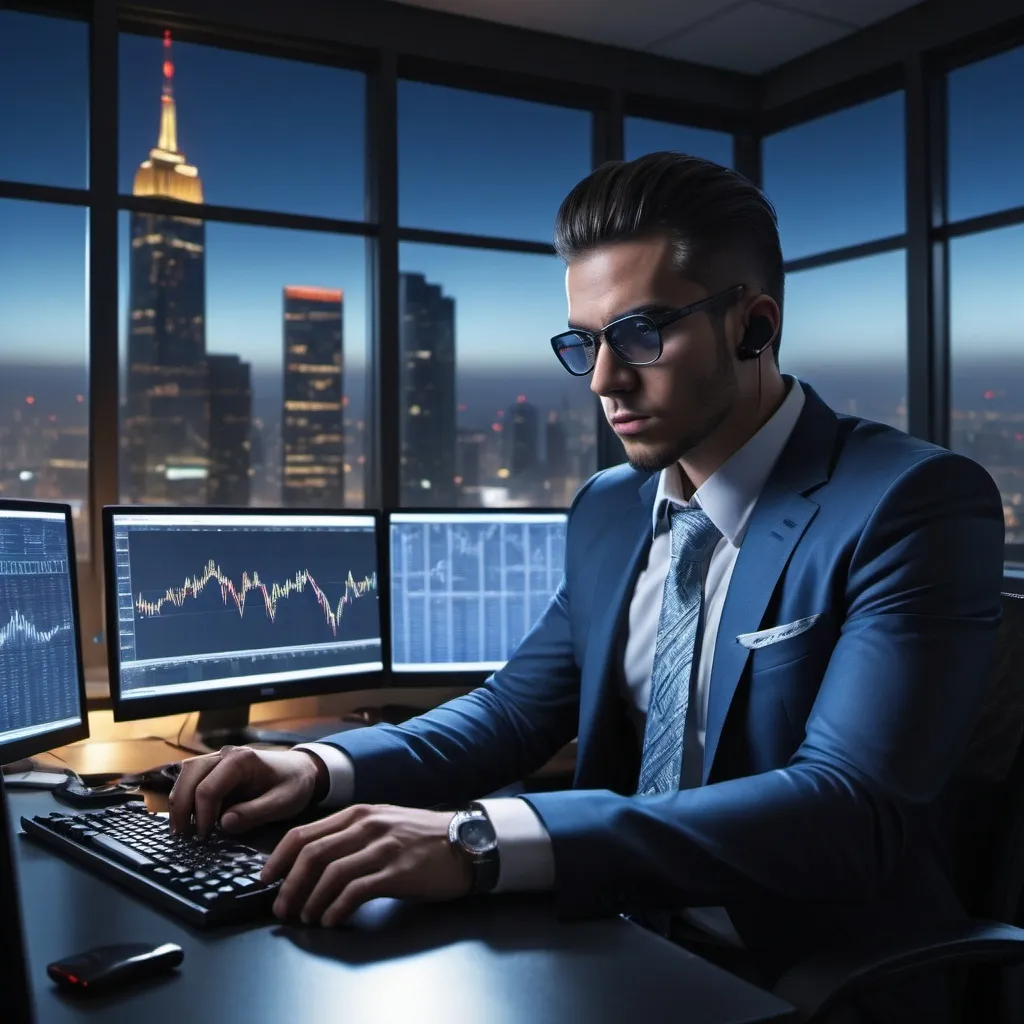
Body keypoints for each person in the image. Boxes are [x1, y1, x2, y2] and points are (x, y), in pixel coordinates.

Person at [168, 153, 1005, 1021]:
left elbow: (848, 809)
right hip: (615, 932)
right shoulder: (612, 508)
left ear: (754, 326)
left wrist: (480, 840)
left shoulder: (910, 502)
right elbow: (511, 714)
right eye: (587, 343)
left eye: (642, 333)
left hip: (812, 978)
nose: (604, 381)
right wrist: (316, 767)